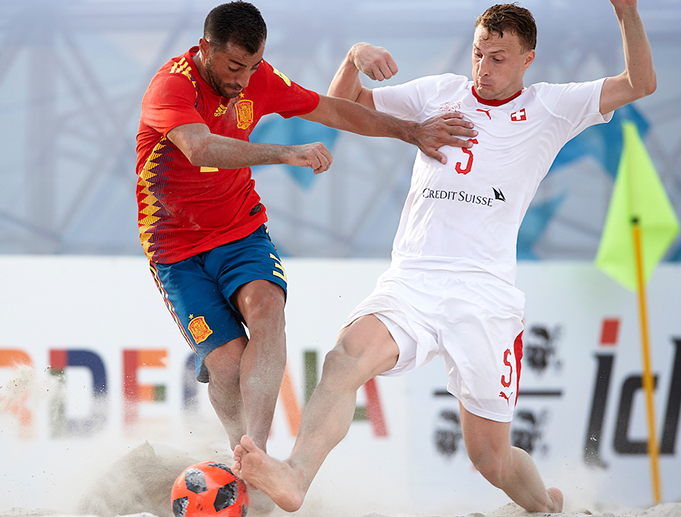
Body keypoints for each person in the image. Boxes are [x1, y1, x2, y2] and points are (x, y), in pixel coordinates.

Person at [232, 0, 655, 513]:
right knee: (344, 359)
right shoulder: (440, 92)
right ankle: (297, 476)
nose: (485, 68)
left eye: (499, 58)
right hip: (412, 280)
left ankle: (545, 505)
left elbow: (640, 83)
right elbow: (345, 107)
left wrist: (628, 12)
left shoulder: (553, 106)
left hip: (485, 296)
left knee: (490, 460)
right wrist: (352, 58)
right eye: (479, 53)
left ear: (528, 59)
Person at [135, 0, 476, 453]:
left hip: (239, 229)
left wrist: (412, 131)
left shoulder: (260, 79)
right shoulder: (171, 86)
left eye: (252, 66)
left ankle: (252, 455)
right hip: (174, 247)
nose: (243, 79)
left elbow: (333, 110)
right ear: (205, 47)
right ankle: (236, 448)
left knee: (267, 307)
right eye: (235, 65)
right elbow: (199, 149)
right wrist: (283, 152)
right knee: (227, 367)